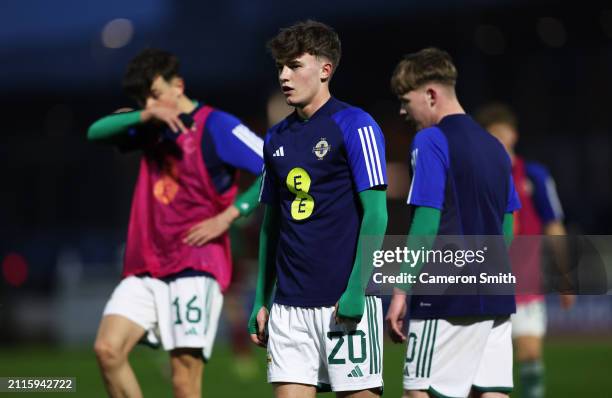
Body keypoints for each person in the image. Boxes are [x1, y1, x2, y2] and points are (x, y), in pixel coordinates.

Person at [88, 48, 264, 398]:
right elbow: (96, 131)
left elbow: (275, 166)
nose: (150, 104)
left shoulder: (218, 125)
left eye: (155, 95)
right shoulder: (149, 128)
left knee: (183, 381)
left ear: (178, 85)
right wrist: (144, 114)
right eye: (143, 100)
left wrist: (230, 215)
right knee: (107, 350)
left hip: (195, 265)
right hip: (148, 265)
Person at [248, 20, 388, 398]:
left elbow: (377, 214)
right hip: (289, 309)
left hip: (345, 302)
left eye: (294, 65)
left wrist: (358, 289)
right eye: (280, 67)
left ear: (326, 70)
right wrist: (262, 299)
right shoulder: (275, 138)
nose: (284, 76)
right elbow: (271, 226)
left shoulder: (356, 125)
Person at [385, 48, 521, 398]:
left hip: (445, 295)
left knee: (420, 393)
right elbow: (506, 227)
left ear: (431, 94)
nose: (403, 111)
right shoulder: (495, 148)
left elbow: (427, 223)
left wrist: (401, 290)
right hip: (496, 292)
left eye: (405, 100)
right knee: (490, 393)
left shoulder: (430, 140)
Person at [476, 103, 576, 398]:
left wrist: (565, 275)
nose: (498, 141)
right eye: (491, 135)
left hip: (528, 282)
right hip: (488, 284)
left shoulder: (535, 175)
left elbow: (554, 226)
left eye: (501, 134)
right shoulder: (477, 177)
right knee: (486, 365)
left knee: (530, 355)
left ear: (513, 135)